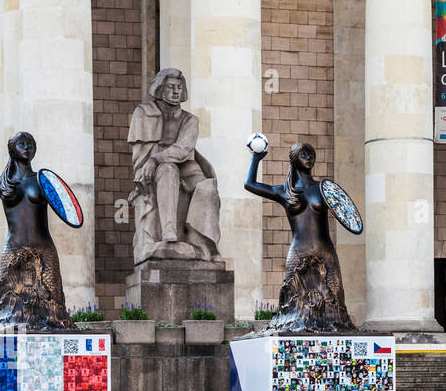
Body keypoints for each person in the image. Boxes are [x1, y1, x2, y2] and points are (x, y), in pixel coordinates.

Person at [0, 129, 74, 329]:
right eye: (22, 143)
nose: (27, 147)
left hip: (43, 250)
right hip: (13, 252)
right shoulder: (2, 183)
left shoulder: (42, 180)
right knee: (11, 305)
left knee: (53, 304)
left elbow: (68, 206)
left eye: (30, 144)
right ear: (12, 150)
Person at [245, 139, 356, 332]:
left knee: (335, 302)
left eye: (311, 154)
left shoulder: (324, 189)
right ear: (294, 160)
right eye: (304, 154)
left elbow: (347, 212)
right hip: (298, 253)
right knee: (292, 300)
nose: (309, 158)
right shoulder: (284, 192)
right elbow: (250, 184)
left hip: (325, 253)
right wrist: (256, 158)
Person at [127, 68, 222, 263]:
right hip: (155, 165)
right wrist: (148, 164)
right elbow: (140, 150)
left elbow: (184, 148)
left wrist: (157, 159)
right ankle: (169, 234)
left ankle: (205, 246)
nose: (176, 91)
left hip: (185, 165)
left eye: (179, 87)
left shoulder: (190, 120)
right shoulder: (143, 113)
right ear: (161, 89)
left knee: (207, 188)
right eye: (171, 87)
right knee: (168, 170)